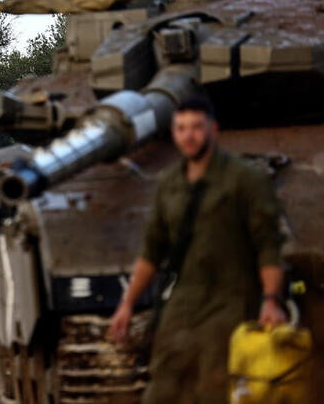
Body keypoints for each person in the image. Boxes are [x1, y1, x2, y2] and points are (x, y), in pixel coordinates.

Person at [107, 97, 288, 404]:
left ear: (213, 130)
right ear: (173, 133)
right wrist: (127, 304)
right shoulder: (170, 183)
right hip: (182, 303)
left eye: (196, 128)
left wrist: (271, 299)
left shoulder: (245, 179)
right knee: (162, 388)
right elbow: (152, 250)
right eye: (181, 129)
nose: (188, 136)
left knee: (216, 389)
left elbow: (268, 245)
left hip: (231, 302)